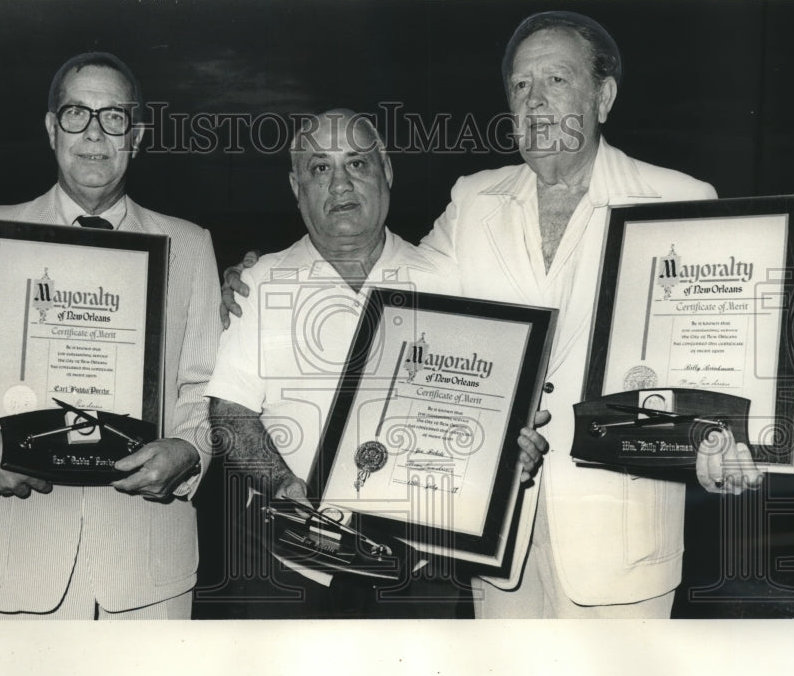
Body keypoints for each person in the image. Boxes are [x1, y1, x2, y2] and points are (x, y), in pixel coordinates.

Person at [220, 12, 774, 619]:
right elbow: (398, 292)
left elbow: (723, 358)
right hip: (489, 539)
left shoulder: (678, 201)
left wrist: (731, 442)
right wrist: (253, 277)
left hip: (619, 542)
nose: (535, 101)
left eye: (556, 80)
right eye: (519, 86)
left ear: (604, 96)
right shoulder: (474, 199)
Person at [0, 52, 222, 619]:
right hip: (15, 559)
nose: (95, 133)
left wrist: (188, 449)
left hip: (148, 568)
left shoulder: (189, 245)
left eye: (114, 117)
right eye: (77, 113)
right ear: (51, 128)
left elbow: (204, 381)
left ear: (137, 134)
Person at [206, 109, 548, 618]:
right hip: (288, 563)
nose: (340, 183)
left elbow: (486, 400)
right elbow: (229, 411)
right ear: (296, 185)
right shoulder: (260, 282)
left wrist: (505, 453)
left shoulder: (446, 278)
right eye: (320, 168)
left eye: (358, 164)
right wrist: (282, 485)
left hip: (420, 566)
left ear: (386, 171)